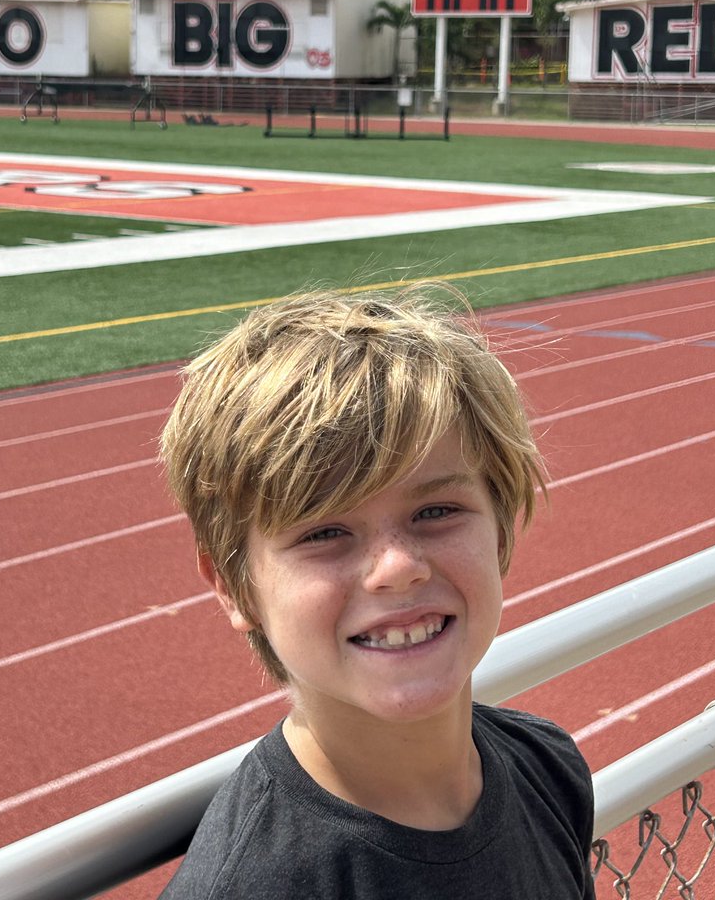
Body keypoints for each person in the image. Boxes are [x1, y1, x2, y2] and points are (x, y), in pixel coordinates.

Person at [159, 288, 595, 898]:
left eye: (436, 511)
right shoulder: (254, 886)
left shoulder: (548, 767)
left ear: (499, 529)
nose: (397, 566)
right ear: (236, 589)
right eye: (324, 532)